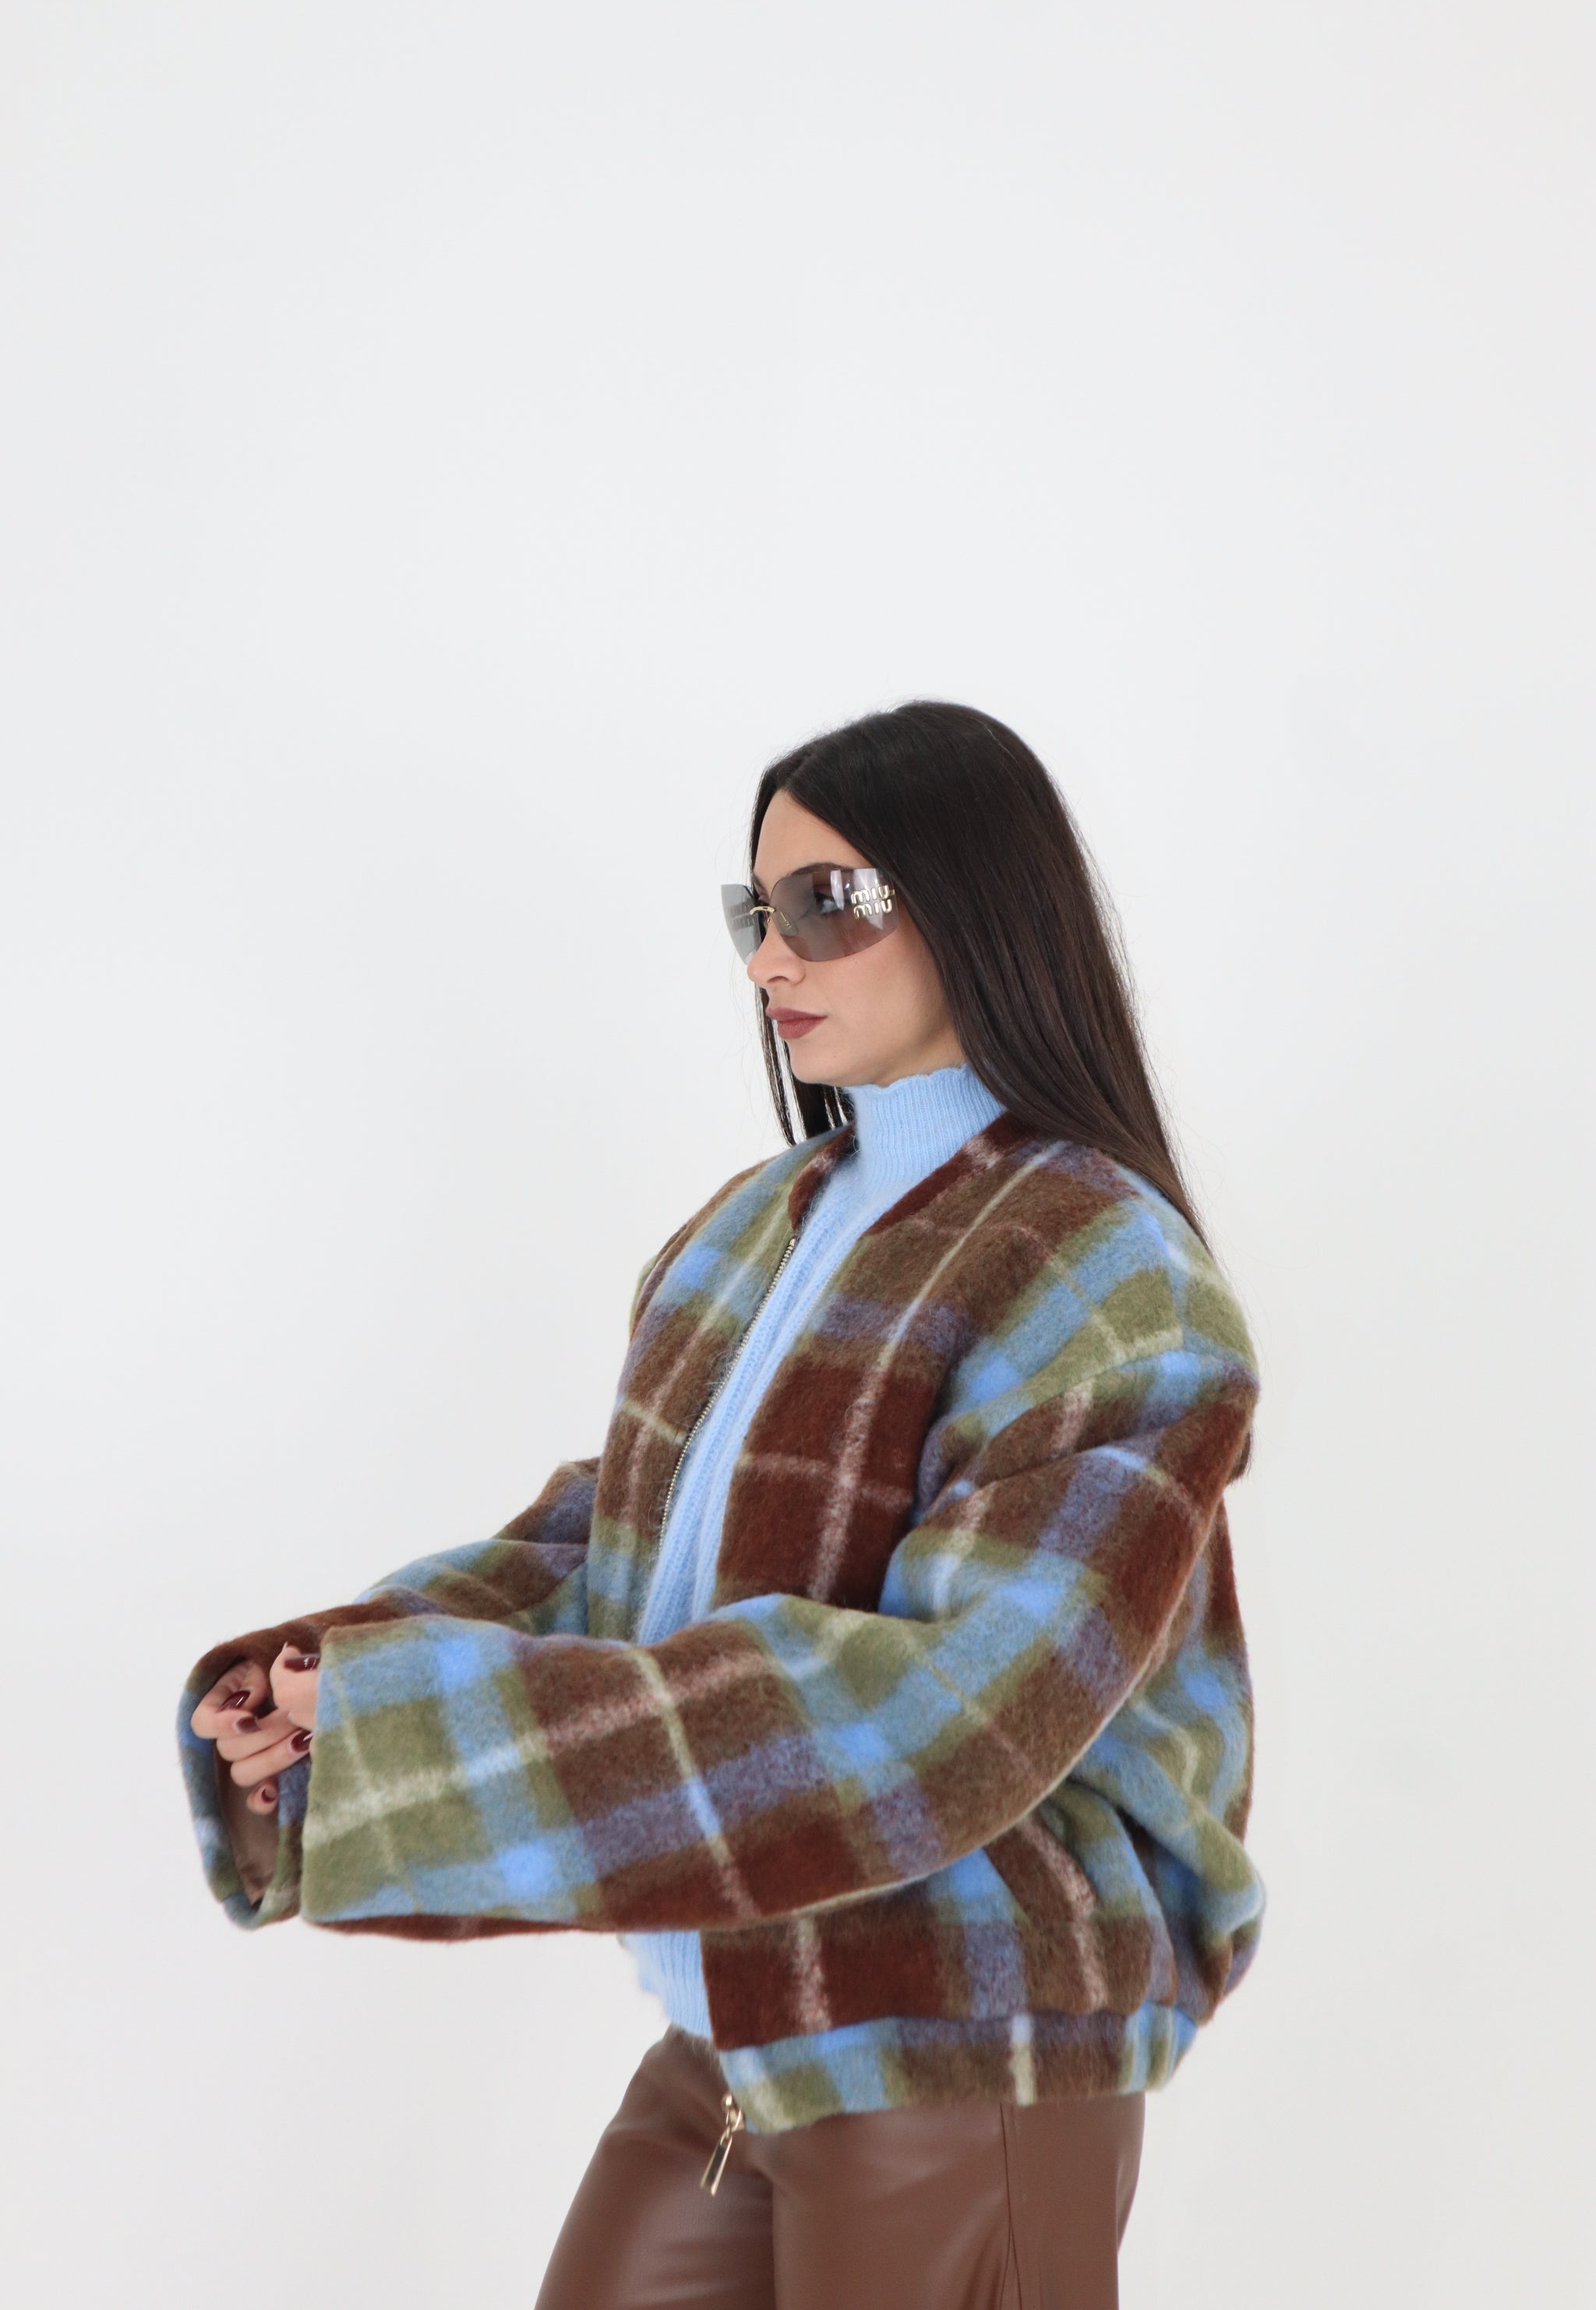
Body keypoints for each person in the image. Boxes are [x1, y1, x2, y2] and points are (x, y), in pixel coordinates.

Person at [180, 701, 1264, 2309]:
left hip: (970, 2044)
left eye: (829, 905)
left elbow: (938, 1723)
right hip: (742, 2027)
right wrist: (341, 1680)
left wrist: (416, 1725)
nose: (769, 959)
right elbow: (611, 1554)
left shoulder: (1110, 1275)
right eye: (757, 910)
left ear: (977, 904)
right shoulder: (753, 1229)